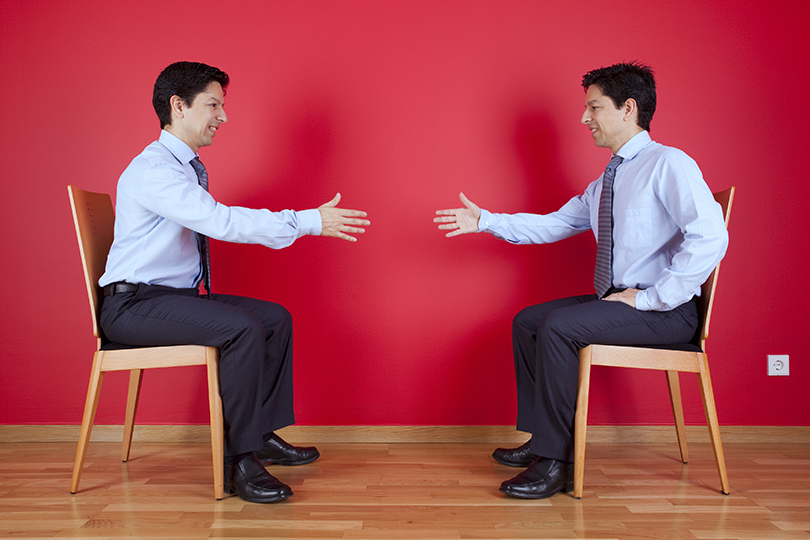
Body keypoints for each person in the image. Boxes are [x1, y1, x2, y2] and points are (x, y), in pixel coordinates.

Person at [434, 62, 728, 499]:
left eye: (594, 107)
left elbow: (710, 236)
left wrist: (651, 299)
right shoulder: (607, 180)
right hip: (623, 301)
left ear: (628, 109)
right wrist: (486, 221)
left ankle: (557, 463)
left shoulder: (669, 164)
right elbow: (555, 224)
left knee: (558, 327)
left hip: (666, 311)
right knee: (529, 322)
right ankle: (543, 439)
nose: (584, 117)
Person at [99, 61, 371, 504]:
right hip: (132, 307)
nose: (222, 116)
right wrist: (307, 221)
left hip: (169, 299)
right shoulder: (155, 170)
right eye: (213, 105)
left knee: (274, 318)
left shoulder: (182, 168)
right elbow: (219, 221)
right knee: (241, 328)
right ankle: (238, 462)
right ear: (178, 106)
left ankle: (258, 434)